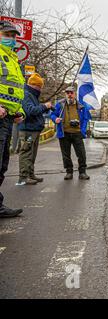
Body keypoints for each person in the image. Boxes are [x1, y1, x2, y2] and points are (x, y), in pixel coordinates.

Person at [0, 21, 26, 218]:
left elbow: (14, 91)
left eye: (14, 35)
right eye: (7, 34)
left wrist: (18, 112)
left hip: (7, 118)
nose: (12, 38)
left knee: (2, 164)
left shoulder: (13, 60)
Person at [17, 73, 53, 186]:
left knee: (32, 154)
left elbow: (35, 109)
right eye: (40, 86)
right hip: (28, 129)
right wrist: (44, 106)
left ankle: (30, 175)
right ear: (35, 85)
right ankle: (23, 177)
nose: (41, 89)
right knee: (26, 152)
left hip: (33, 129)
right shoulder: (26, 94)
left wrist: (45, 107)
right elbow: (31, 111)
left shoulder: (32, 95)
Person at [51, 86, 91, 181]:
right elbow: (52, 114)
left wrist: (83, 130)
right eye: (68, 93)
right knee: (66, 154)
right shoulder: (60, 104)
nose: (69, 95)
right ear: (65, 94)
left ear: (75, 94)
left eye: (71, 92)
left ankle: (82, 172)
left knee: (81, 154)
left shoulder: (81, 105)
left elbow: (85, 119)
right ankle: (69, 172)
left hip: (77, 133)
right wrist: (55, 119)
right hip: (64, 133)